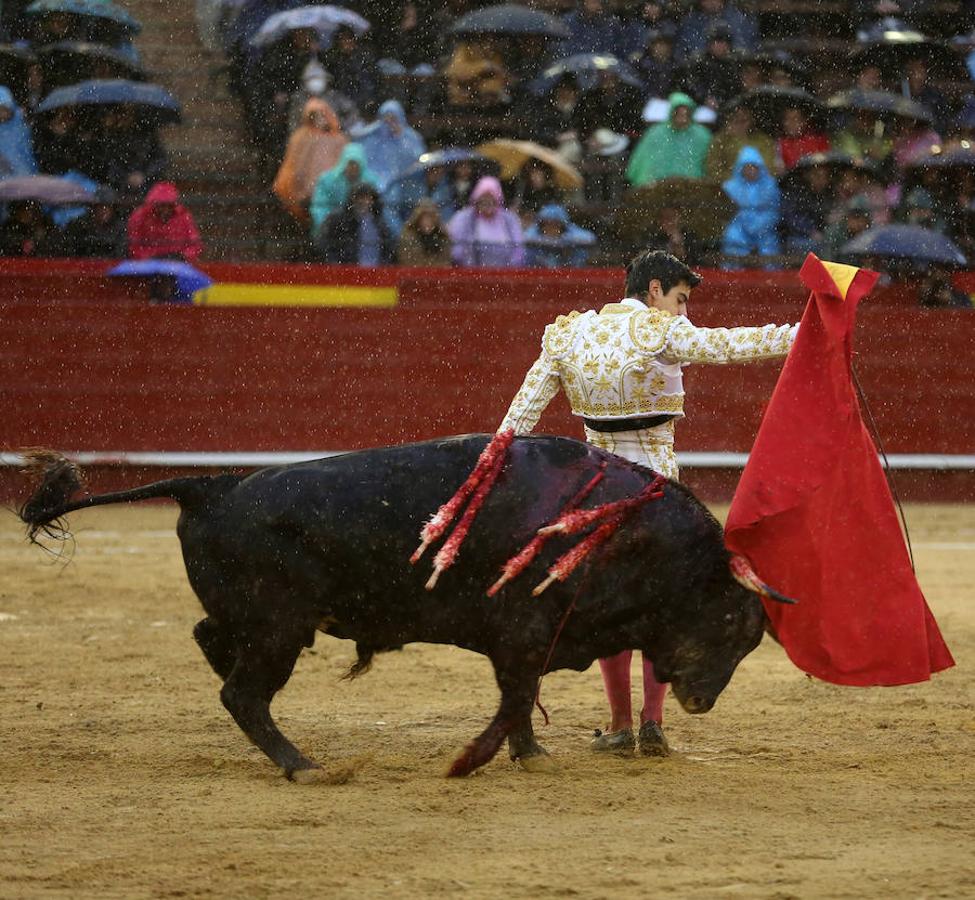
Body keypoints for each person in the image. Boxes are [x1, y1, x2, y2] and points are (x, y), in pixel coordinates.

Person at [498, 249, 797, 755]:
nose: (684, 313)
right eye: (681, 300)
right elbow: (731, 345)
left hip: (597, 494)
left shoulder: (569, 334)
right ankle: (653, 725)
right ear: (654, 289)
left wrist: (490, 467)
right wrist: (806, 331)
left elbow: (518, 418)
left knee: (611, 610)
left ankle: (618, 727)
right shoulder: (658, 330)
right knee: (659, 608)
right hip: (659, 494)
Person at [273, 97, 349, 223]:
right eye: (315, 116)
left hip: (331, 188)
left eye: (322, 115)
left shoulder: (339, 138)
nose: (320, 120)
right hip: (305, 189)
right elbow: (294, 164)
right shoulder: (300, 137)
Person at [626, 92, 712, 186]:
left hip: (692, 187)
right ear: (672, 112)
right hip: (657, 187)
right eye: (678, 113)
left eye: (685, 113)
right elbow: (644, 162)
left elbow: (709, 162)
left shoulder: (701, 135)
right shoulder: (656, 133)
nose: (682, 118)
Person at [349, 99, 426, 193]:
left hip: (404, 183)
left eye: (393, 118)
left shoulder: (411, 137)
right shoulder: (373, 136)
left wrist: (399, 138)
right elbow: (364, 159)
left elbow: (417, 159)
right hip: (374, 185)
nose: (389, 123)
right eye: (385, 119)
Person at [447, 175, 525, 267]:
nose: (488, 204)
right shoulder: (463, 218)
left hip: (503, 274)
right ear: (476, 199)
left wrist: (507, 269)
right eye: (483, 200)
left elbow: (519, 249)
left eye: (492, 200)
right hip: (469, 274)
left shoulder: (509, 219)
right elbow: (455, 249)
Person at [721, 145, 780, 264]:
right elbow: (725, 212)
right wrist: (742, 221)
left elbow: (775, 210)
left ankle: (770, 279)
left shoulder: (770, 186)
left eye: (754, 167)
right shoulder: (730, 187)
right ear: (740, 168)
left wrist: (763, 223)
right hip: (738, 226)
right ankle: (732, 278)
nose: (750, 170)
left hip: (765, 228)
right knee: (733, 239)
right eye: (747, 167)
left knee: (768, 248)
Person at [309, 143, 379, 242]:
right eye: (351, 163)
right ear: (344, 163)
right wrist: (325, 224)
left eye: (357, 164)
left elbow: (377, 207)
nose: (353, 168)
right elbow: (319, 206)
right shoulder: (327, 180)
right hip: (331, 227)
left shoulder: (371, 181)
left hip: (360, 227)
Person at [316, 182, 394, 265]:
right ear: (352, 200)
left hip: (376, 272)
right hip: (347, 271)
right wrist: (336, 264)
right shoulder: (337, 220)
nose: (363, 202)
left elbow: (389, 247)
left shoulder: (380, 222)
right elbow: (323, 243)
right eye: (359, 198)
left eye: (367, 198)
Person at [126, 181, 203, 262]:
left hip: (177, 265)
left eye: (169, 205)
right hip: (147, 266)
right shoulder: (140, 216)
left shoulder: (184, 216)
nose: (165, 209)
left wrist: (182, 257)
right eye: (161, 205)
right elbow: (134, 245)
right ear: (154, 204)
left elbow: (195, 244)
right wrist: (149, 258)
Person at [523, 204, 595, 267]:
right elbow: (526, 237)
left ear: (562, 226)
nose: (551, 227)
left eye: (555, 224)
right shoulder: (532, 236)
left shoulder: (573, 236)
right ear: (541, 226)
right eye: (547, 224)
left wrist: (565, 243)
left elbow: (589, 238)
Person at [396, 198, 453, 266]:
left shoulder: (442, 238)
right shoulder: (408, 238)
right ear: (418, 219)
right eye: (424, 218)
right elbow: (409, 264)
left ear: (436, 220)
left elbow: (444, 264)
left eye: (431, 218)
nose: (427, 222)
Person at [0, 85, 36, 177]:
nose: (2, 113)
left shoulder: (22, 122)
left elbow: (28, 150)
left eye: (4, 109)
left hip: (27, 174)